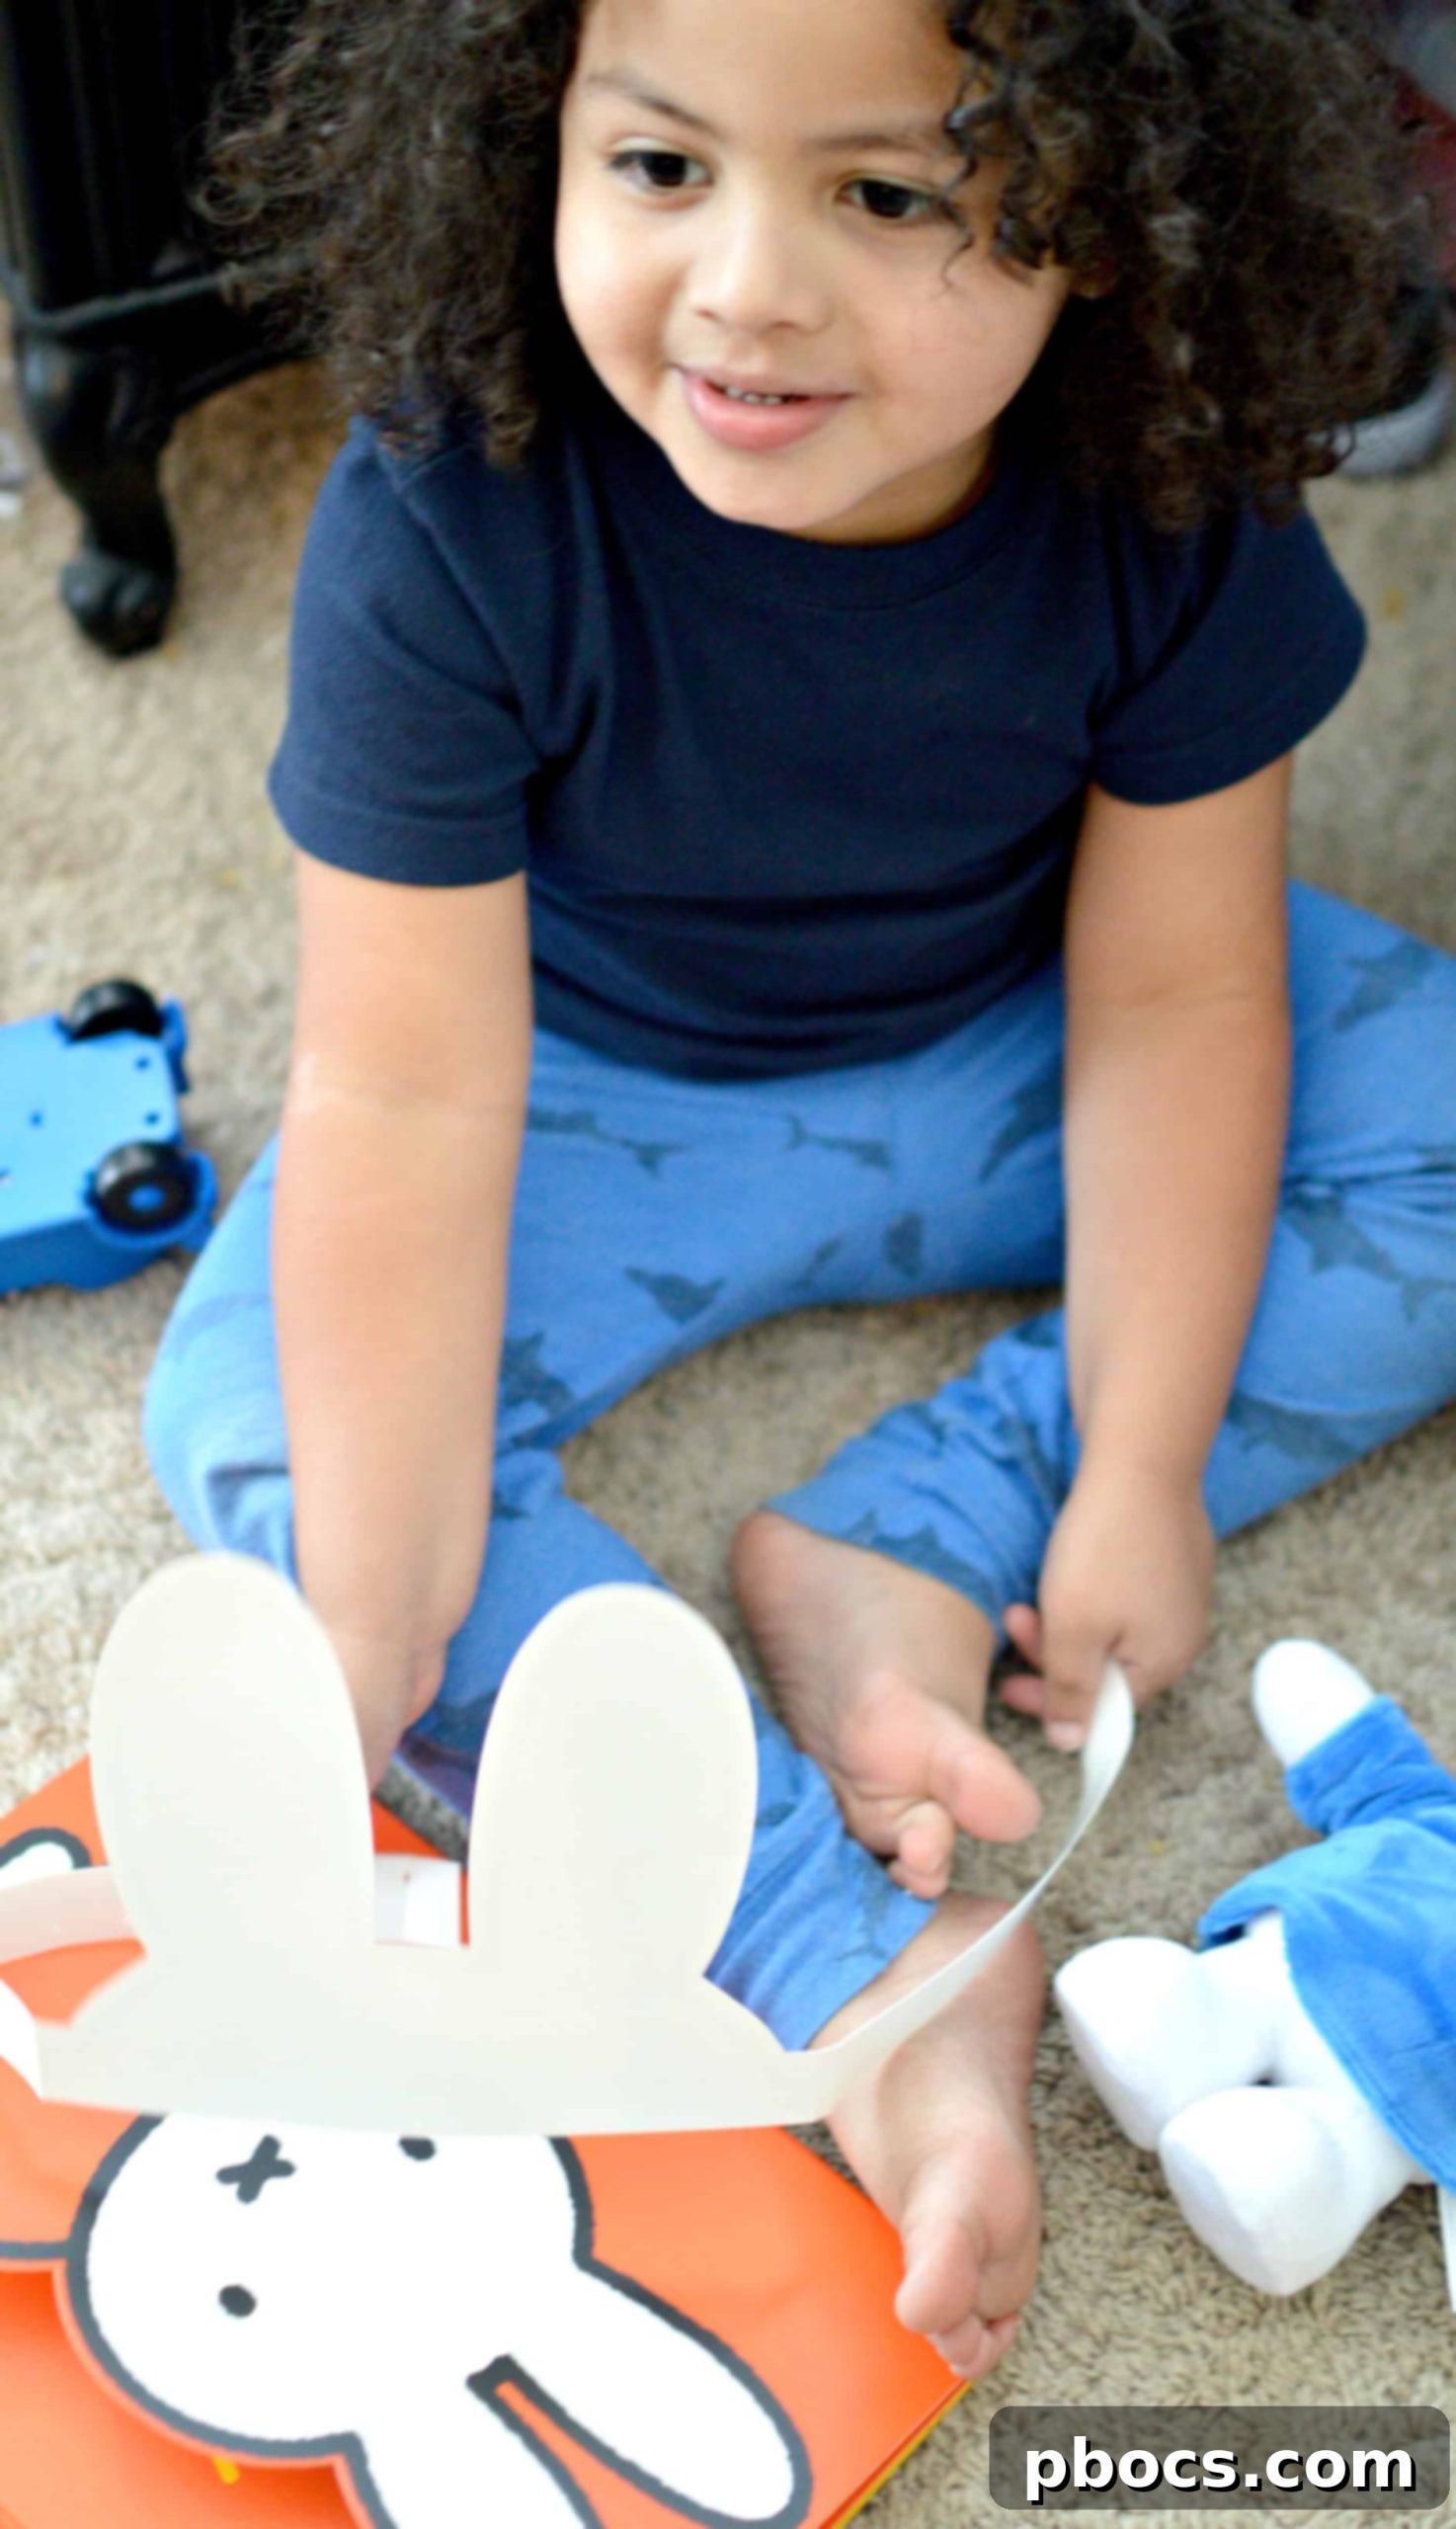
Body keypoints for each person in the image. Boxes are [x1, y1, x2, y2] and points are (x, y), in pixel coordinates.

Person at [145, 0, 1456, 2381]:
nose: (742, 288)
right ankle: (861, 1968)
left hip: (1028, 1025)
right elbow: (402, 1092)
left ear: (1111, 214)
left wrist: (1129, 1459)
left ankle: (902, 1542)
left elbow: (1176, 1008)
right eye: (655, 167)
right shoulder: (448, 506)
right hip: (583, 1084)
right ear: (519, 133)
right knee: (268, 1428)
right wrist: (380, 1603)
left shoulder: (1167, 490)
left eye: (883, 193)